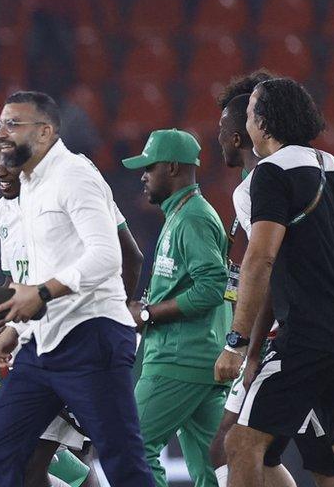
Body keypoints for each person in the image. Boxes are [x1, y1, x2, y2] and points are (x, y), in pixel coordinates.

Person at [0, 92, 154, 487]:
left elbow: (106, 257)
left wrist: (41, 293)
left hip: (92, 337)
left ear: (44, 132)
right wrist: (14, 330)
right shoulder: (27, 187)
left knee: (123, 463)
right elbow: (45, 265)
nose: (2, 134)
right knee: (3, 451)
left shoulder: (74, 174)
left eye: (13, 124)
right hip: (40, 345)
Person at [215, 78, 334, 487]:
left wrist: (236, 343)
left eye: (251, 111)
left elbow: (261, 257)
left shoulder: (271, 173)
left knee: (240, 444)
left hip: (305, 334)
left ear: (264, 124)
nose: (247, 119)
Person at [122, 129, 231, 487]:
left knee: (131, 448)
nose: (143, 175)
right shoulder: (184, 214)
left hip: (179, 359)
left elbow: (212, 288)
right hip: (200, 359)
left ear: (171, 167)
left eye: (149, 167)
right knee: (210, 466)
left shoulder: (193, 218)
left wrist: (149, 313)